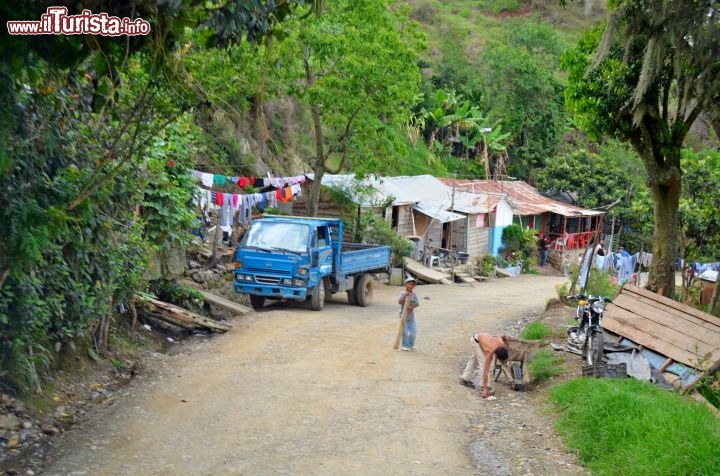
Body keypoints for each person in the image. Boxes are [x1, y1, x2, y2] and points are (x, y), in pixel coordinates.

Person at [459, 332, 510, 398]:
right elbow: (486, 370)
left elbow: (499, 336)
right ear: (496, 355)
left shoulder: (501, 343)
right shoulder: (489, 352)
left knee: (474, 360)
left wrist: (503, 337)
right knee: (483, 363)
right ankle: (483, 386)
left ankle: (464, 379)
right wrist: (485, 389)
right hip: (475, 341)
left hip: (480, 338)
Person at [398, 277, 420, 351]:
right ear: (406, 284)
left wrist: (412, 306)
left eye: (412, 284)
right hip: (403, 315)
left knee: (413, 331)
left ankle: (411, 345)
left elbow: (417, 303)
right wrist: (405, 296)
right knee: (404, 332)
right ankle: (404, 345)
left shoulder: (414, 294)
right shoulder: (402, 293)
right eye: (409, 284)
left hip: (411, 316)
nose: (411, 286)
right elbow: (400, 302)